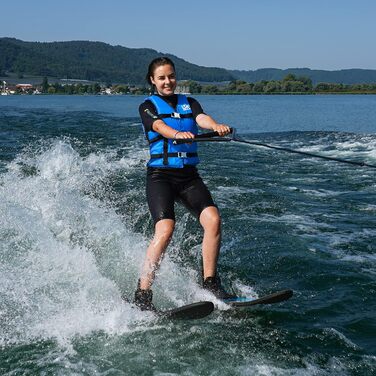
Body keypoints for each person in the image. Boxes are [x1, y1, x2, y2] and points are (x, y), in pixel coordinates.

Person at [135, 57, 236, 311]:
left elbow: (201, 118)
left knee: (213, 219)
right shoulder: (147, 106)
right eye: (161, 78)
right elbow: (158, 126)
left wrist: (216, 126)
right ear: (153, 81)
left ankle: (210, 282)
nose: (167, 81)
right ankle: (143, 294)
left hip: (188, 176)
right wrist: (176, 134)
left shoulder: (189, 102)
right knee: (166, 229)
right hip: (161, 177)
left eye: (171, 76)